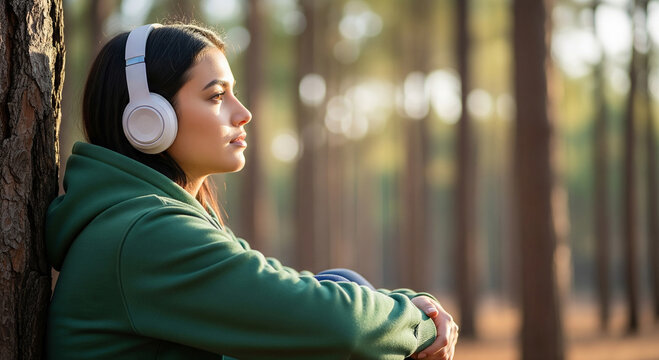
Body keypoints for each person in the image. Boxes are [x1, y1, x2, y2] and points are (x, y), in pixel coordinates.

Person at [45, 23, 459, 360]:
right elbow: (335, 326)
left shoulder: (144, 220)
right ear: (148, 120)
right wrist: (420, 322)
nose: (243, 114)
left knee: (339, 283)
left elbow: (291, 292)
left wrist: (414, 307)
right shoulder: (144, 234)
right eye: (217, 96)